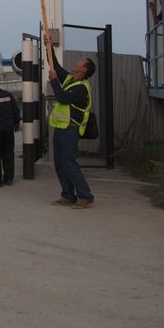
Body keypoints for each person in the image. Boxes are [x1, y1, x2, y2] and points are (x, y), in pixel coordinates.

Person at [44, 32, 95, 208]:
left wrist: (54, 83)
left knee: (69, 163)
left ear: (84, 70)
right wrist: (48, 47)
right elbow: (55, 66)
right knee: (60, 164)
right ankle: (68, 195)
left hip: (70, 130)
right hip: (61, 128)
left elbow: (63, 98)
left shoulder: (81, 88)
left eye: (81, 62)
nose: (77, 62)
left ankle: (85, 196)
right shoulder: (70, 79)